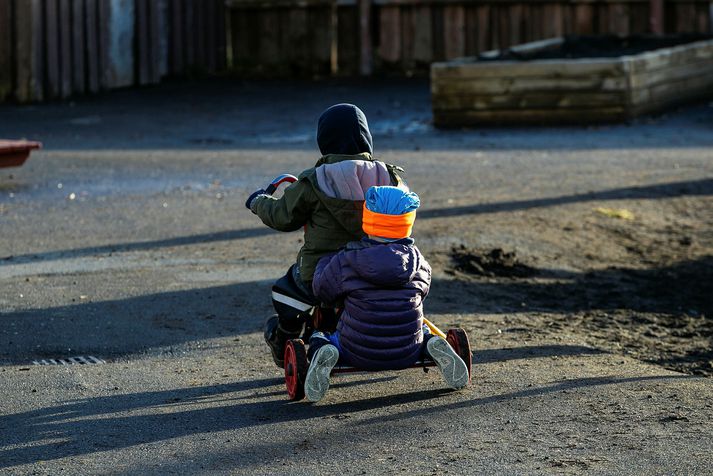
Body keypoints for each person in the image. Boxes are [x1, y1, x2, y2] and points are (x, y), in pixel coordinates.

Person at [245, 103, 405, 368]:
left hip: (322, 273)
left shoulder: (313, 180)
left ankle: (283, 334)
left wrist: (258, 202)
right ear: (366, 138)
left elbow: (282, 217)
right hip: (379, 269)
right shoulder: (389, 176)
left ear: (324, 141)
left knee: (287, 288)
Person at [305, 185, 470, 402]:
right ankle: (429, 345)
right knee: (421, 328)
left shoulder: (346, 261)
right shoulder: (419, 263)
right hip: (408, 351)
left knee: (319, 336)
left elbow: (322, 291)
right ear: (408, 223)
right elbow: (423, 293)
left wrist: (325, 262)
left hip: (356, 352)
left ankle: (326, 351)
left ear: (368, 219)